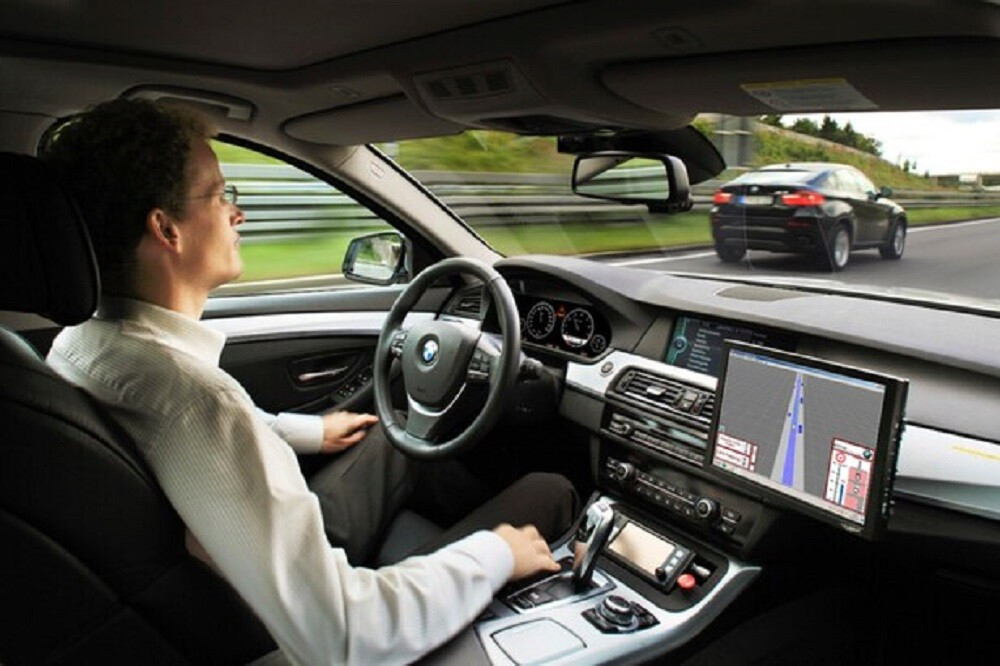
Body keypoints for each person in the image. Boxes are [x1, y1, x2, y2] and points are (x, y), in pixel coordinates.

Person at [41, 99, 577, 665]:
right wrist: (494, 553)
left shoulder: (86, 344)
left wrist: (307, 432)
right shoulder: (198, 404)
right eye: (221, 194)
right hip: (272, 622)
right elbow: (346, 636)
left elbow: (185, 445)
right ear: (166, 229)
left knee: (392, 440)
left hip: (230, 558)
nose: (235, 214)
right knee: (548, 490)